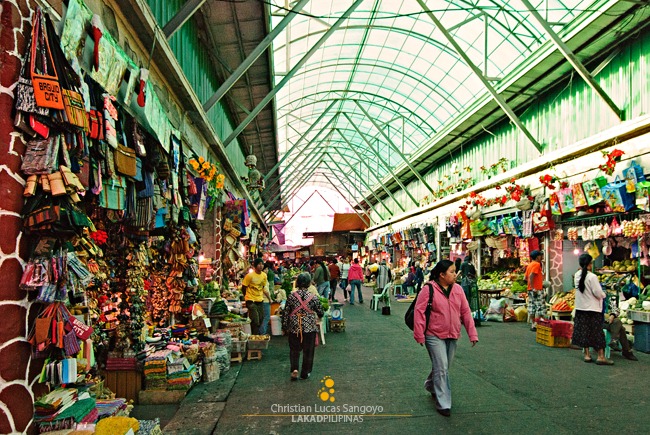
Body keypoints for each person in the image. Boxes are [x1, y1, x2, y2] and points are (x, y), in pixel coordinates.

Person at [413, 260, 478, 417]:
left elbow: (466, 312)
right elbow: (419, 311)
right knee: (442, 367)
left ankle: (430, 385)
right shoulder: (428, 289)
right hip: (433, 334)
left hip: (453, 333)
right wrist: (419, 334)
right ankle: (444, 403)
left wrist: (472, 333)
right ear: (441, 275)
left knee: (444, 366)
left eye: (455, 271)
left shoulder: (458, 290)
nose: (455, 274)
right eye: (451, 272)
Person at [572, 254, 613, 365]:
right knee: (597, 332)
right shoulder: (592, 277)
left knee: (584, 331)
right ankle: (600, 356)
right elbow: (598, 293)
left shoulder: (577, 275)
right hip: (593, 309)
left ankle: (587, 355)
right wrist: (604, 295)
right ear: (590, 264)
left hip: (581, 308)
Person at [282, 273, 324, 380]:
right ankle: (305, 373)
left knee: (294, 350)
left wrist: (284, 326)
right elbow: (320, 311)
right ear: (309, 283)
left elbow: (286, 313)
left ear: (298, 283)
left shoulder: (292, 296)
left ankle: (294, 369)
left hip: (294, 327)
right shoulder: (313, 296)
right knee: (308, 351)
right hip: (309, 327)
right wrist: (319, 316)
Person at [241, 258, 272, 334]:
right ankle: (255, 336)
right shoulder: (249, 276)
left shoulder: (264, 275)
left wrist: (268, 297)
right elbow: (243, 287)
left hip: (260, 300)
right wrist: (246, 297)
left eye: (262, 264)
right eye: (259, 264)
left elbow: (263, 287)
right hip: (251, 300)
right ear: (255, 266)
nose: (261, 266)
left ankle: (256, 335)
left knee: (261, 319)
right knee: (255, 319)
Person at [525, 250, 545, 330]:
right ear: (537, 257)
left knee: (532, 307)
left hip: (530, 289)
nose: (541, 257)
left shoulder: (529, 265)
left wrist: (531, 286)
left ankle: (533, 324)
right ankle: (537, 324)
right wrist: (534, 287)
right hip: (536, 289)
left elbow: (525, 278)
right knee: (540, 307)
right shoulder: (537, 264)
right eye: (540, 255)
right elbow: (531, 276)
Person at [258, 262, 276, 335]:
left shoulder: (259, 277)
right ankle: (262, 333)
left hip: (260, 299)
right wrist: (270, 299)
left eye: (267, 269)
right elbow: (265, 290)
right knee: (266, 317)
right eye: (266, 269)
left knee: (262, 317)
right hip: (265, 300)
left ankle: (261, 331)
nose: (267, 270)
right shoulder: (264, 277)